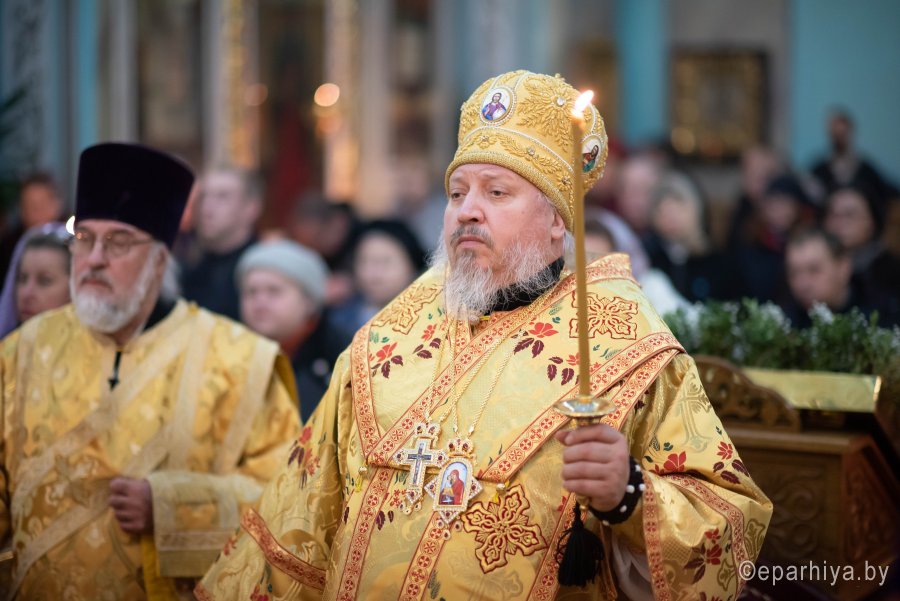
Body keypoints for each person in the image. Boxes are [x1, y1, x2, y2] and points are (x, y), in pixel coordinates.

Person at [198, 71, 771, 601]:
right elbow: (296, 521)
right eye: (457, 193)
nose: (467, 211)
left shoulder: (625, 346)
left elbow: (728, 530)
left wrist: (627, 494)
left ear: (557, 221)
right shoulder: (386, 339)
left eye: (496, 193)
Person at [0, 143, 300, 599]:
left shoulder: (241, 360)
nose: (94, 258)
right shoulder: (22, 351)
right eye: (84, 239)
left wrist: (172, 507)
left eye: (118, 242)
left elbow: (289, 500)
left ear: (160, 259)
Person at [237, 239, 350, 421]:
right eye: (251, 292)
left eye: (274, 291)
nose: (260, 302)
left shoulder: (343, 358)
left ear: (309, 302)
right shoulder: (230, 354)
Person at [179, 166, 263, 320]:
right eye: (203, 197)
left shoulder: (263, 272)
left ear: (251, 208)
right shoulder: (185, 268)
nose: (207, 208)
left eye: (223, 197)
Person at [643, 171, 737, 302]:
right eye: (663, 213)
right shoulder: (650, 257)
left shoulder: (718, 262)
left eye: (677, 211)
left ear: (695, 209)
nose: (670, 219)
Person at [329, 219, 426, 335]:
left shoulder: (430, 318)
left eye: (385, 262)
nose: (373, 275)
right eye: (365, 261)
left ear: (413, 266)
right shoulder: (338, 323)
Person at [810, 109, 897, 204]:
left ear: (850, 133)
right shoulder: (820, 170)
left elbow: (886, 190)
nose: (839, 139)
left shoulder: (865, 170)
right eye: (836, 135)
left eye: (842, 134)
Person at [0, 222, 71, 339]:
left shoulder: (89, 349)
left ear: (72, 288)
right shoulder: (6, 348)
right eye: (22, 278)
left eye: (45, 281)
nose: (27, 294)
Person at [782, 229, 863, 328]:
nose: (802, 284)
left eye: (814, 270)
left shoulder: (876, 314)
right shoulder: (785, 324)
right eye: (793, 273)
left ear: (843, 268)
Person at [0, 172, 64, 283]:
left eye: (42, 205)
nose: (36, 213)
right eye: (29, 206)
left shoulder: (70, 243)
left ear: (57, 205)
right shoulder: (8, 247)